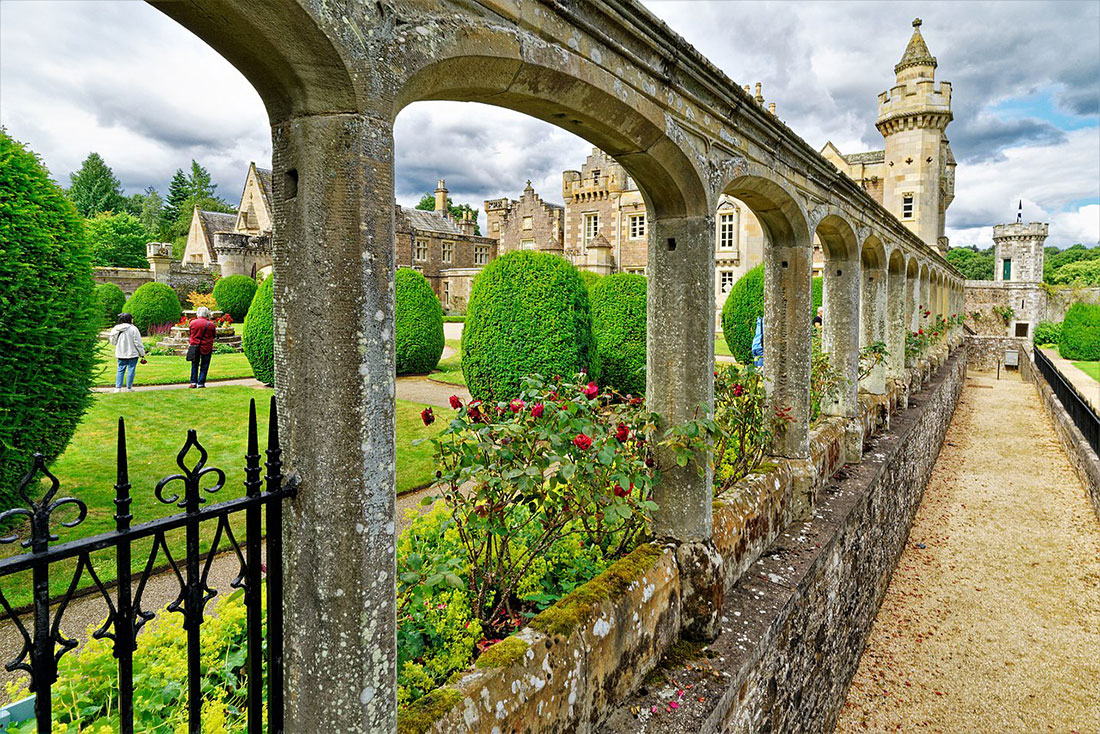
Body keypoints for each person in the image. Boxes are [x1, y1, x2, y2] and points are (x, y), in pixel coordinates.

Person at [108, 313, 146, 393]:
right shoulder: (133, 329)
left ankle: (118, 388)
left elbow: (112, 341)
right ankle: (129, 387)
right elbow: (138, 342)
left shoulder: (116, 328)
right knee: (131, 370)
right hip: (132, 353)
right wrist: (142, 353)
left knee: (120, 369)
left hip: (120, 352)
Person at [187, 306, 217, 388]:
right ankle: (201, 383)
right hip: (206, 347)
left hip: (195, 347)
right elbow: (214, 335)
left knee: (194, 364)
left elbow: (191, 334)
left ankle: (193, 382)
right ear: (207, 314)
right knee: (204, 365)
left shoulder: (192, 323)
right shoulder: (211, 324)